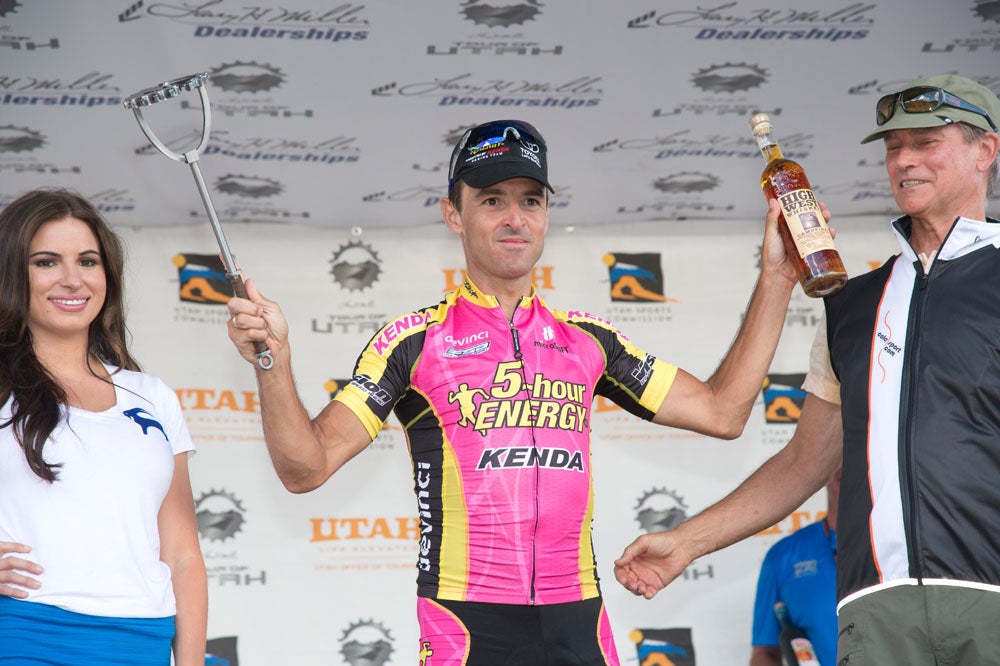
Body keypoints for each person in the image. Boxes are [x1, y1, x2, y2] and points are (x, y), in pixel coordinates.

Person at [225, 119, 798, 665]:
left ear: (547, 213)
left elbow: (724, 411)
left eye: (530, 200)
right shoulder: (412, 342)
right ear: (454, 213)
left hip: (579, 616)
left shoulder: (588, 341)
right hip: (469, 623)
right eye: (492, 199)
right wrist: (274, 364)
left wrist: (778, 277)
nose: (514, 218)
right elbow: (307, 467)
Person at [615, 74, 1000, 665]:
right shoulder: (852, 303)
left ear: (985, 151)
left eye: (925, 142)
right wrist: (684, 543)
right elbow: (804, 462)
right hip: (876, 610)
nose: (904, 160)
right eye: (894, 147)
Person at [0, 189, 207, 665]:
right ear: (14, 272)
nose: (72, 280)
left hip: (142, 641)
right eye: (47, 262)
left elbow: (182, 553)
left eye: (88, 262)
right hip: (27, 637)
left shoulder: (152, 395)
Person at [750, 468, 839, 666]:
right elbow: (766, 653)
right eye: (839, 454)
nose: (847, 464)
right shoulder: (783, 556)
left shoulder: (904, 548)